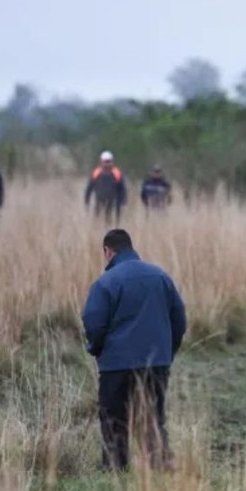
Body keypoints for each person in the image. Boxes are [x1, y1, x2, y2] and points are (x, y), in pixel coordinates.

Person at [81, 229, 187, 471]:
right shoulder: (161, 276)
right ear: (131, 247)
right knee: (153, 419)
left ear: (108, 251)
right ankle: (159, 469)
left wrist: (97, 350)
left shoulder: (105, 282)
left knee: (114, 420)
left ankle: (115, 470)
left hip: (116, 365)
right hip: (156, 363)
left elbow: (94, 324)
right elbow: (179, 320)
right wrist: (167, 353)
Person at [85, 151, 127, 223]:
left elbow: (122, 189)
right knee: (97, 221)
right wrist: (87, 200)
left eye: (109, 161)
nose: (107, 164)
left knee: (111, 222)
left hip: (113, 203)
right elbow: (89, 188)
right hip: (99, 202)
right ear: (101, 162)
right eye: (105, 161)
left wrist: (123, 201)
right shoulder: (96, 173)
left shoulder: (117, 174)